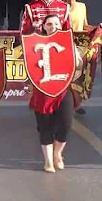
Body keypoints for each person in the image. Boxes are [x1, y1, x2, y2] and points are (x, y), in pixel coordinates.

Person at [29, 15, 81, 172]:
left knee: (65, 124)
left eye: (56, 24)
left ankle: (57, 153)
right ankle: (48, 161)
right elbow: (30, 67)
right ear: (44, 27)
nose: (53, 27)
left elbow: (78, 65)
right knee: (45, 127)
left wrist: (74, 57)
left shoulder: (68, 42)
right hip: (42, 92)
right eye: (49, 24)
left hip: (64, 89)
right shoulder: (34, 42)